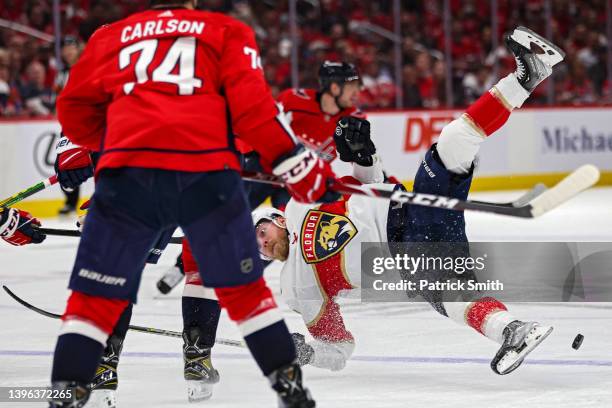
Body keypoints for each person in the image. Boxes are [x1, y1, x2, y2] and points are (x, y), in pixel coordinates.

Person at [51, 1, 340, 406]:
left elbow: (73, 112)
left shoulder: (108, 37)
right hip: (206, 175)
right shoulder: (226, 31)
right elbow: (255, 114)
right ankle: (290, 392)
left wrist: (112, 142)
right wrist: (300, 170)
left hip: (128, 179)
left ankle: (69, 393)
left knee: (94, 299)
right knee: (245, 292)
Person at [250, 27, 565, 373]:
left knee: (452, 139)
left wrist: (362, 152)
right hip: (404, 264)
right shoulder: (294, 289)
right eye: (258, 246)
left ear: (277, 219)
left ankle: (526, 76)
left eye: (260, 233)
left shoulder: (301, 201)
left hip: (413, 210)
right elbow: (339, 349)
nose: (262, 244)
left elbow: (370, 181)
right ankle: (513, 330)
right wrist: (310, 353)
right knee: (453, 301)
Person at [155, 60, 367, 295]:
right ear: (334, 87)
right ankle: (182, 266)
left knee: (282, 233)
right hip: (262, 171)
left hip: (294, 185)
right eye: (353, 85)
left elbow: (356, 160)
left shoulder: (354, 118)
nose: (358, 92)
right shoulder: (295, 101)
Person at [54, 36, 84, 216]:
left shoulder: (86, 67)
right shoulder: (61, 74)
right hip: (69, 123)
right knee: (66, 161)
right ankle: (71, 202)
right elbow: (56, 97)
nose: (68, 51)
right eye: (65, 48)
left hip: (87, 121)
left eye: (71, 47)